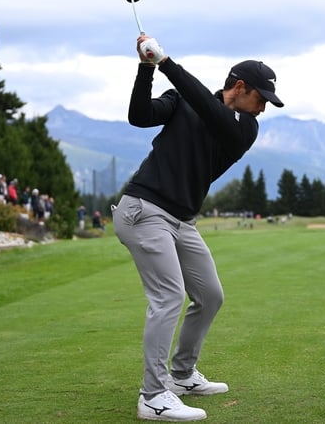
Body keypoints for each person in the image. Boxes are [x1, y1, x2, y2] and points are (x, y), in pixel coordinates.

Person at [111, 34, 283, 422]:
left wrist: (166, 62)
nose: (264, 108)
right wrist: (145, 68)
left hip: (180, 219)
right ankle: (153, 395)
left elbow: (209, 109)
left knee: (210, 295)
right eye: (262, 99)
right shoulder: (184, 100)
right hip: (143, 210)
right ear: (240, 88)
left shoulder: (244, 128)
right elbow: (140, 116)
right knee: (169, 297)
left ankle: (182, 375)